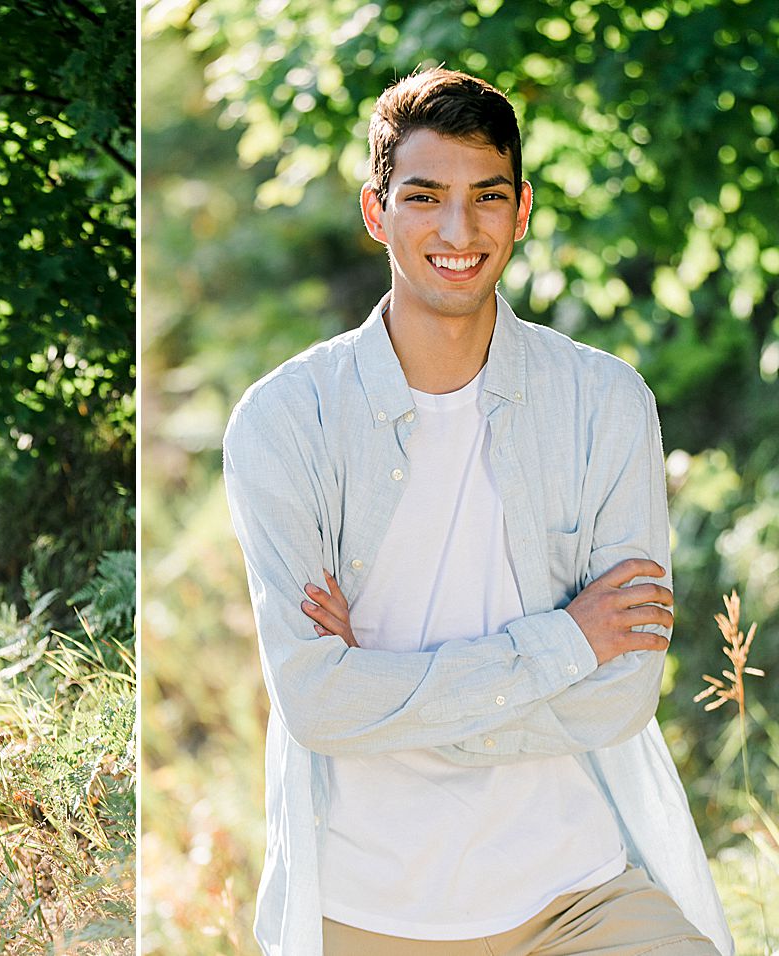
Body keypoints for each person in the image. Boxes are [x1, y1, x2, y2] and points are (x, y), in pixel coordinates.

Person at [222, 68, 733, 956]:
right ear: (377, 212)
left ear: (521, 210)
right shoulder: (286, 421)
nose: (459, 231)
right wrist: (566, 643)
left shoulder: (604, 404)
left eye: (487, 196)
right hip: (368, 913)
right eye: (425, 197)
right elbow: (318, 706)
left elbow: (621, 696)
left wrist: (384, 691)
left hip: (581, 896)